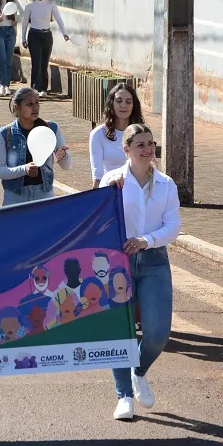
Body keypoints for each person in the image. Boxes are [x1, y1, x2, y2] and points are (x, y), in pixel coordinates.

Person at [100, 124, 180, 421]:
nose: (148, 150)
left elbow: (172, 226)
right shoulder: (112, 181)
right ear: (127, 150)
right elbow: (100, 222)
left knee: (158, 333)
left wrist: (146, 240)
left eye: (151, 144)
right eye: (141, 145)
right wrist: (110, 195)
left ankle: (139, 371)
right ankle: (123, 397)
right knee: (121, 333)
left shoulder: (166, 184)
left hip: (154, 259)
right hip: (118, 262)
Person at [0, 87, 71, 205]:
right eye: (29, 104)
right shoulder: (5, 133)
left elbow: (67, 166)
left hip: (44, 195)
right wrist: (24, 169)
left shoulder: (51, 128)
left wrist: (63, 155)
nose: (35, 107)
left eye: (37, 103)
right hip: (15, 198)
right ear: (17, 107)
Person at [90, 83, 145, 188]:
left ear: (134, 106)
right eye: (119, 101)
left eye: (128, 102)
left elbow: (149, 165)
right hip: (110, 189)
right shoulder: (98, 134)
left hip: (137, 188)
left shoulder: (142, 133)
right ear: (111, 103)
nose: (123, 105)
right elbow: (97, 174)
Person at [21, 0, 69, 95]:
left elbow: (58, 19)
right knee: (36, 62)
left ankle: (43, 88)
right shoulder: (30, 5)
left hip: (47, 36)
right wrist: (23, 38)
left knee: (44, 63)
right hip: (34, 35)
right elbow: (24, 23)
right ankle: (33, 88)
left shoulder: (51, 4)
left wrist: (64, 33)